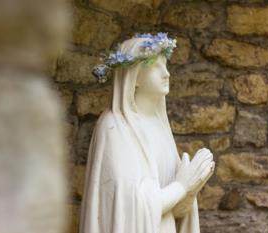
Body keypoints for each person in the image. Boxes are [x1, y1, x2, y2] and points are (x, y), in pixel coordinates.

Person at [80, 33, 215, 233]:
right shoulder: (114, 126)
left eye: (166, 65)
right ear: (134, 77)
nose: (166, 73)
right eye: (155, 66)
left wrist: (191, 189)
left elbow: (173, 212)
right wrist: (182, 186)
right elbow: (128, 209)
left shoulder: (160, 126)